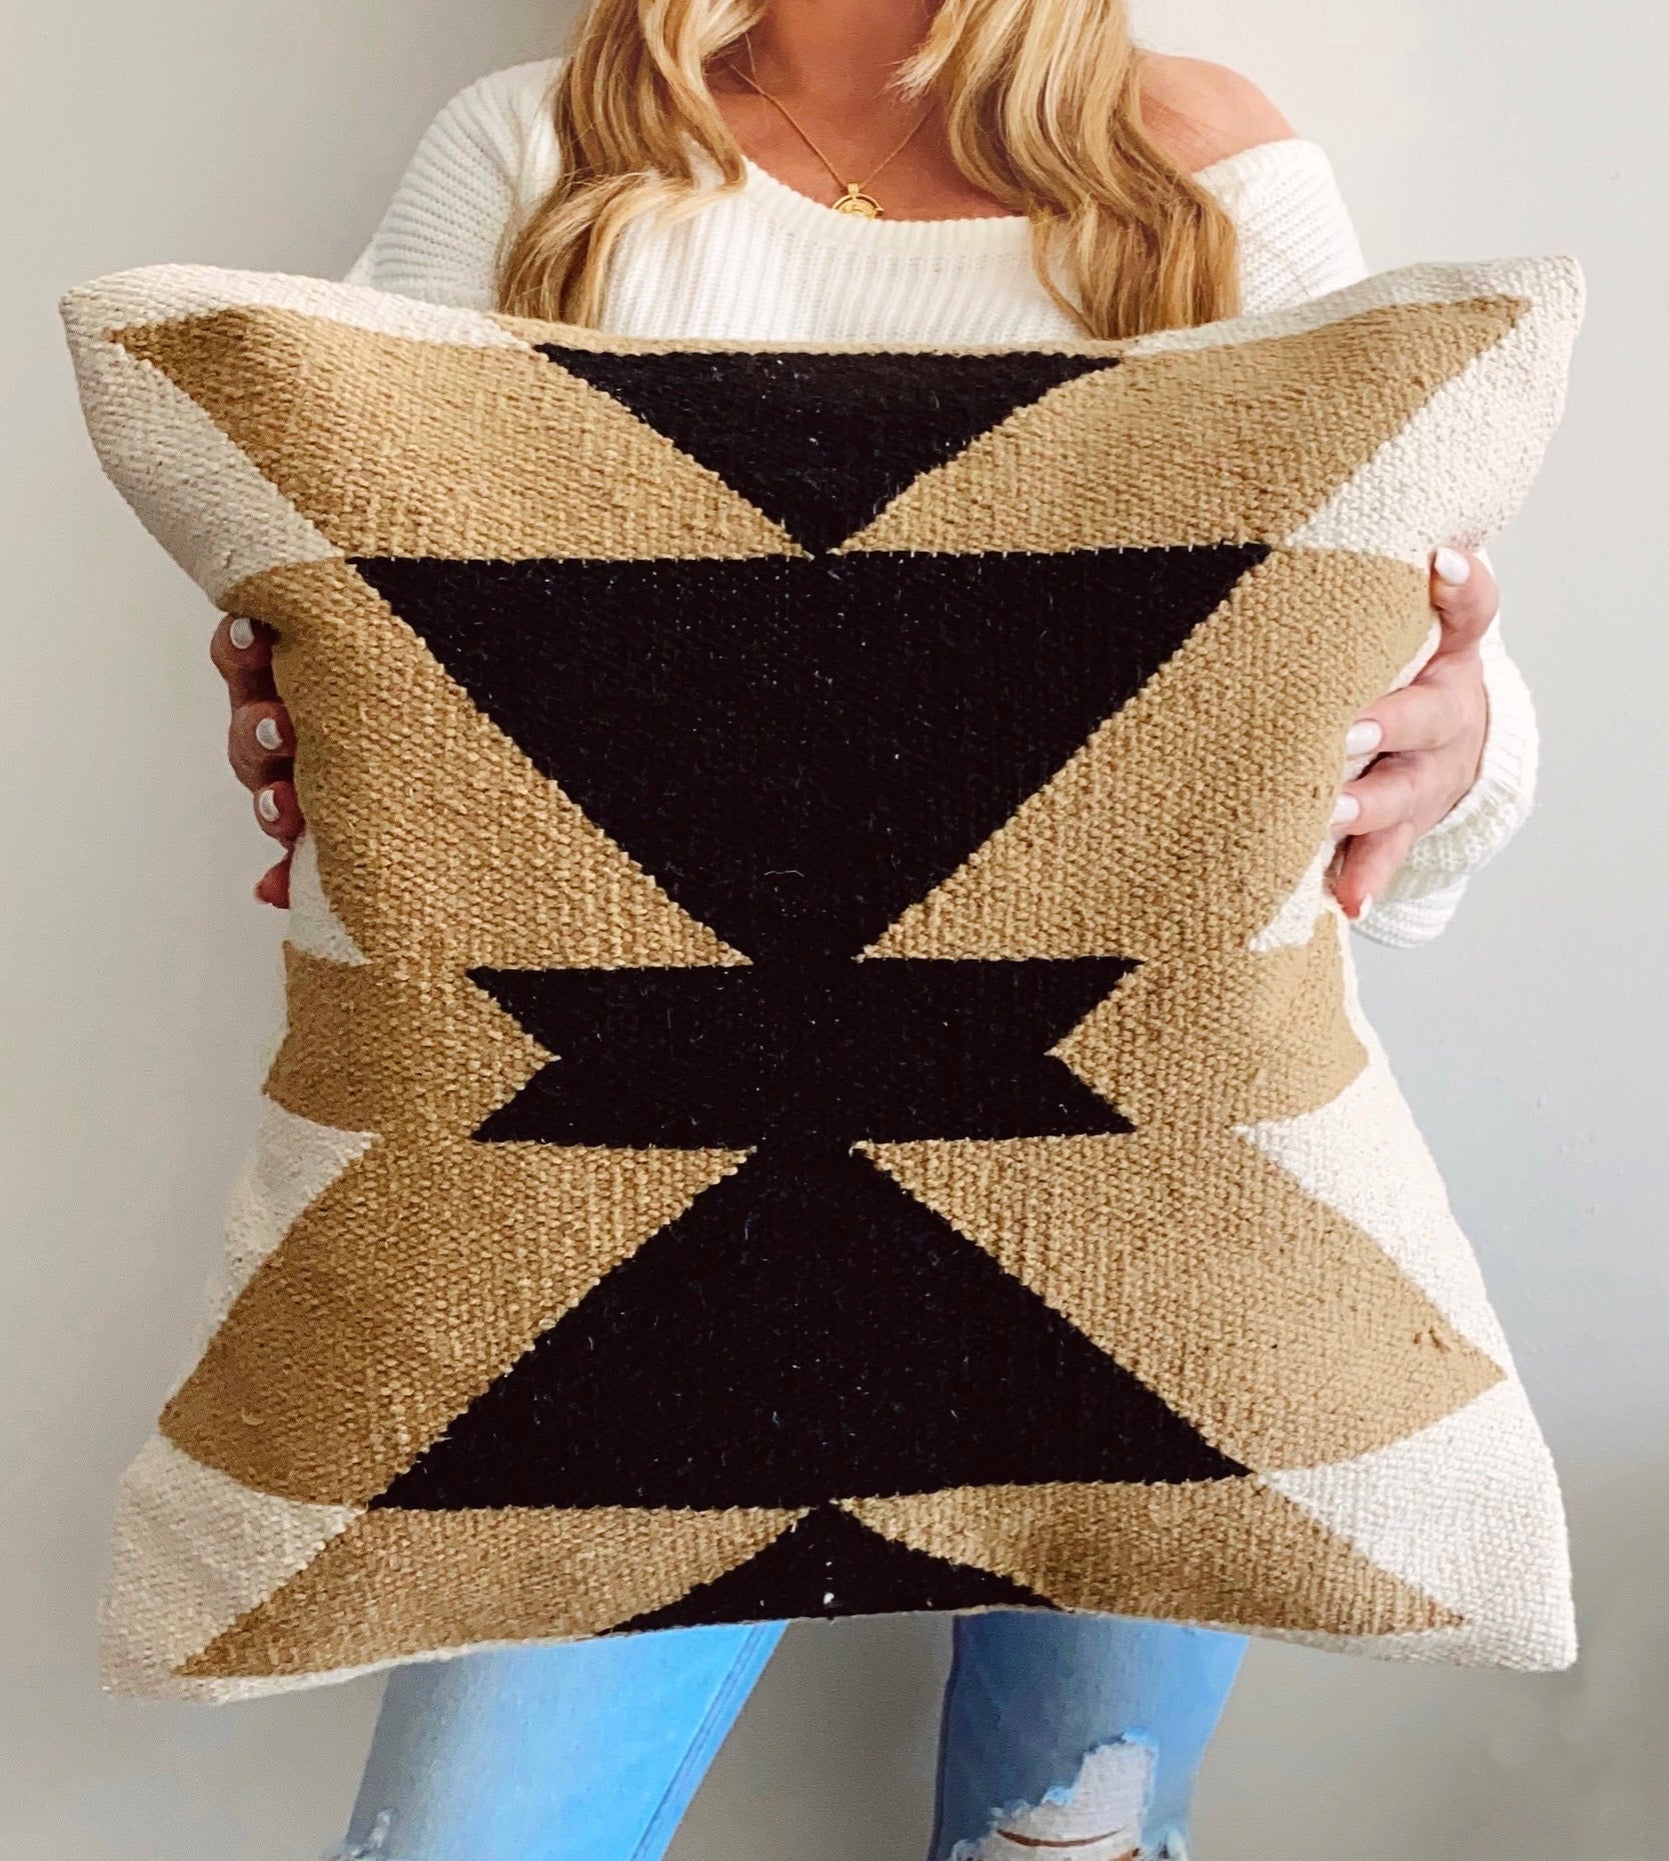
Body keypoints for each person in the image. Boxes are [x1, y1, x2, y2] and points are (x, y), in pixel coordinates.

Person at [208, 4, 1531, 1856]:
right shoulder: (539, 151)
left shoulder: (1196, 165)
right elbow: (346, 603)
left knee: (1063, 1838)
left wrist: (1453, 740)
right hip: (608, 1232)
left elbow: (1427, 676)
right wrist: (321, 713)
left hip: (1151, 1205)